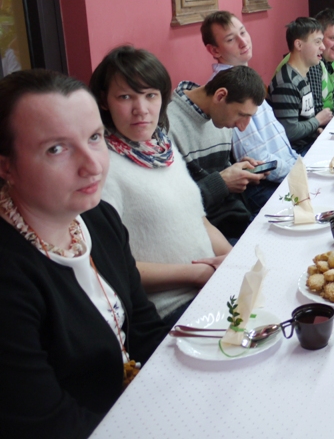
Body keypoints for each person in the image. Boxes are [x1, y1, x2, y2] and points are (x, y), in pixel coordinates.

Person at [0, 69, 168, 437]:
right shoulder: (10, 276)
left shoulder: (98, 218)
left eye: (94, 137)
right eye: (56, 149)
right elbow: (48, 424)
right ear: (5, 166)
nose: (92, 165)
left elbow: (143, 326)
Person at [90, 46, 232, 326]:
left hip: (212, 284)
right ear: (104, 101)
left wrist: (231, 259)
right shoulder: (102, 169)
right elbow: (114, 269)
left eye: (150, 95)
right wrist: (198, 274)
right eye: (125, 97)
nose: (141, 110)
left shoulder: (161, 147)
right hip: (171, 308)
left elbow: (198, 220)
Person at [201, 10, 298, 212]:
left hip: (287, 168)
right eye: (231, 39)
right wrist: (298, 171)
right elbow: (257, 159)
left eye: (243, 32)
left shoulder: (246, 79)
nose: (243, 42)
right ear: (214, 50)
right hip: (266, 185)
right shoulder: (228, 93)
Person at [168, 66, 267, 241]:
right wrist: (222, 183)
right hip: (204, 233)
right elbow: (173, 207)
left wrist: (239, 170)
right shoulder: (167, 127)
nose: (243, 127)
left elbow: (216, 172)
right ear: (220, 96)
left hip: (236, 219)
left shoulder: (219, 116)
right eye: (241, 115)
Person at [268, 17, 333, 155]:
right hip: (296, 152)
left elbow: (304, 118)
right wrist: (318, 121)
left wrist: (315, 130)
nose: (323, 47)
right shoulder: (287, 82)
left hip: (308, 144)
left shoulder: (302, 74)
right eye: (317, 42)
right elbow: (290, 131)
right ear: (299, 45)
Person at [307, 8, 334, 115]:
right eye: (333, 38)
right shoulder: (312, 61)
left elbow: (333, 95)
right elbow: (316, 110)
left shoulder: (331, 58)